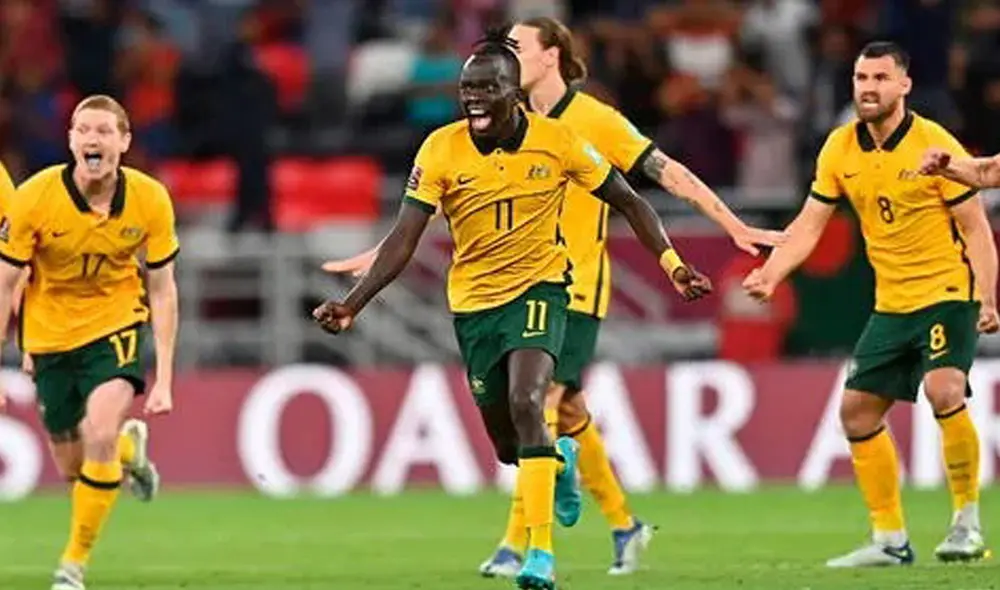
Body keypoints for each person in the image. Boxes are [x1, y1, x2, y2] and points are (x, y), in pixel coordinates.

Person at [322, 17, 782, 576]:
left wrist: (727, 227)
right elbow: (442, 211)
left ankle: (525, 547)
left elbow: (662, 177)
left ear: (549, 57)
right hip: (480, 299)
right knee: (544, 423)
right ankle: (616, 517)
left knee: (534, 403)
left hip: (569, 285)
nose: (504, 55)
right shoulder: (455, 142)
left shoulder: (590, 123)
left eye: (518, 46)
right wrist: (366, 277)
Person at [744, 42, 997, 567]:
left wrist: (987, 296)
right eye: (862, 78)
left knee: (944, 389)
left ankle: (966, 524)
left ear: (904, 85)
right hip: (891, 304)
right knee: (856, 414)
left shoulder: (933, 143)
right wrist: (771, 273)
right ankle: (889, 539)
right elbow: (809, 224)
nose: (868, 88)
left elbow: (976, 229)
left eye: (881, 78)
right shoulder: (839, 148)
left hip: (946, 293)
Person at [0, 95, 180, 590]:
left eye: (103, 131)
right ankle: (127, 449)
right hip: (50, 336)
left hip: (115, 326)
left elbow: (163, 290)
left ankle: (72, 566)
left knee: (98, 428)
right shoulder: (35, 198)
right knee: (74, 467)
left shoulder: (150, 199)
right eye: (83, 130)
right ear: (70, 140)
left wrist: (164, 376)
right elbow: (7, 282)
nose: (92, 139)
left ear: (124, 141)